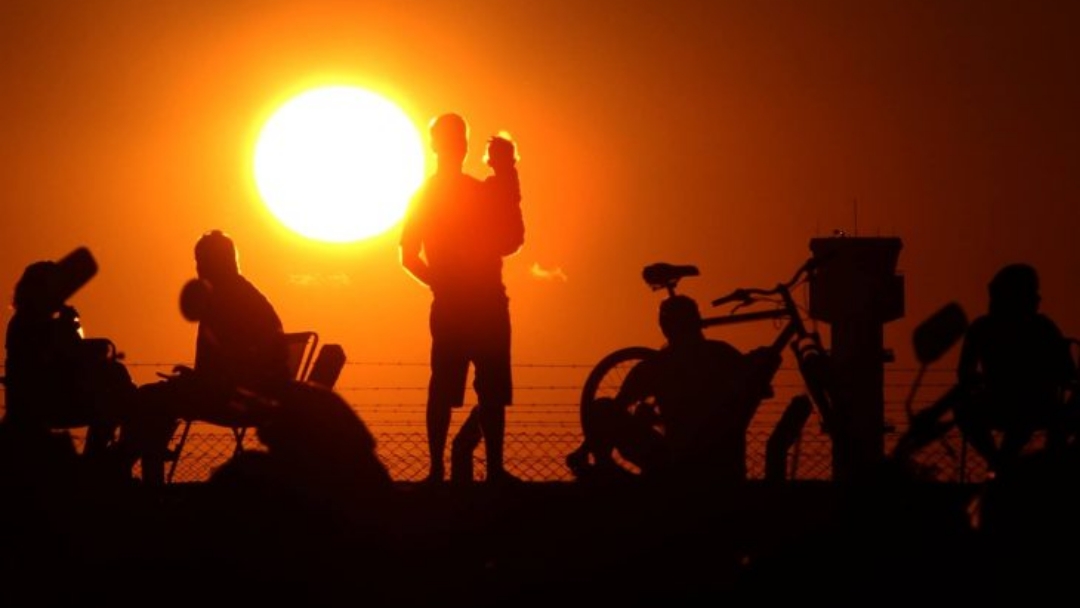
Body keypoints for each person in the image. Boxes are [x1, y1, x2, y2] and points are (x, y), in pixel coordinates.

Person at [399, 113, 525, 485]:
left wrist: (507, 179)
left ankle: (453, 471)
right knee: (469, 388)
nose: (455, 146)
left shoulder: (440, 194)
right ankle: (463, 470)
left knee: (477, 389)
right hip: (475, 303)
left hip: (476, 302)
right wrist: (438, 283)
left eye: (457, 140)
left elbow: (511, 239)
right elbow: (512, 240)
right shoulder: (442, 194)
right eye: (453, 140)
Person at [127, 229, 291, 486]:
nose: (198, 268)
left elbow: (237, 362)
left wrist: (199, 380)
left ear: (217, 262)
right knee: (157, 398)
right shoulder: (239, 294)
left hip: (236, 397)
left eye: (202, 261)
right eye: (198, 261)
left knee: (151, 398)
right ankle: (142, 460)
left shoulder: (227, 300)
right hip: (242, 391)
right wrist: (198, 378)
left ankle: (139, 474)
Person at [567, 295, 781, 484]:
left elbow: (613, 410)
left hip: (674, 465)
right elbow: (756, 389)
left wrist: (586, 450)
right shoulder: (723, 354)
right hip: (723, 467)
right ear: (697, 321)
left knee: (603, 408)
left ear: (664, 326)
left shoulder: (655, 366)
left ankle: (605, 471)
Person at [2, 255, 138, 460]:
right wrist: (69, 326)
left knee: (115, 380)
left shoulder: (31, 322)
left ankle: (114, 449)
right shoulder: (30, 324)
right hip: (45, 401)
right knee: (114, 387)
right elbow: (67, 357)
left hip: (54, 396)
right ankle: (103, 456)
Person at [952, 263, 1076, 476]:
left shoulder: (986, 327)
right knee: (971, 406)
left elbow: (965, 372)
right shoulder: (1040, 327)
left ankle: (1001, 463)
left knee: (1023, 407)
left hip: (1029, 403)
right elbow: (1068, 372)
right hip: (1013, 403)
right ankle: (1003, 463)